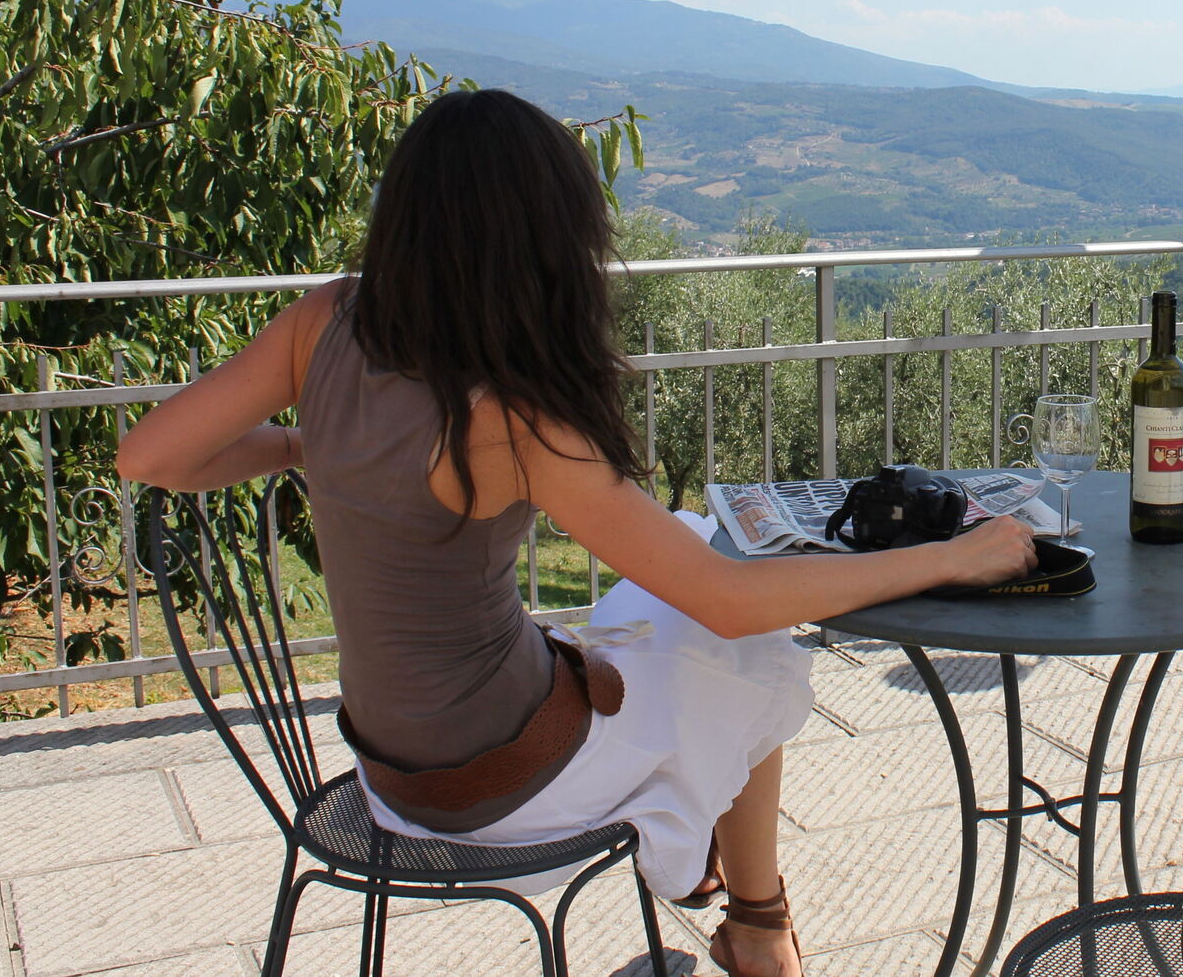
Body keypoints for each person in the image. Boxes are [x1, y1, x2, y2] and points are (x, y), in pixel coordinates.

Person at [117, 88, 1037, 977]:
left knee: (676, 580)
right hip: (496, 788)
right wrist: (949, 556)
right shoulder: (506, 416)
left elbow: (150, 455)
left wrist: (305, 444)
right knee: (747, 647)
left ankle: (732, 891)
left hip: (387, 770)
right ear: (540, 240)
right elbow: (730, 601)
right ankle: (759, 926)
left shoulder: (325, 321)